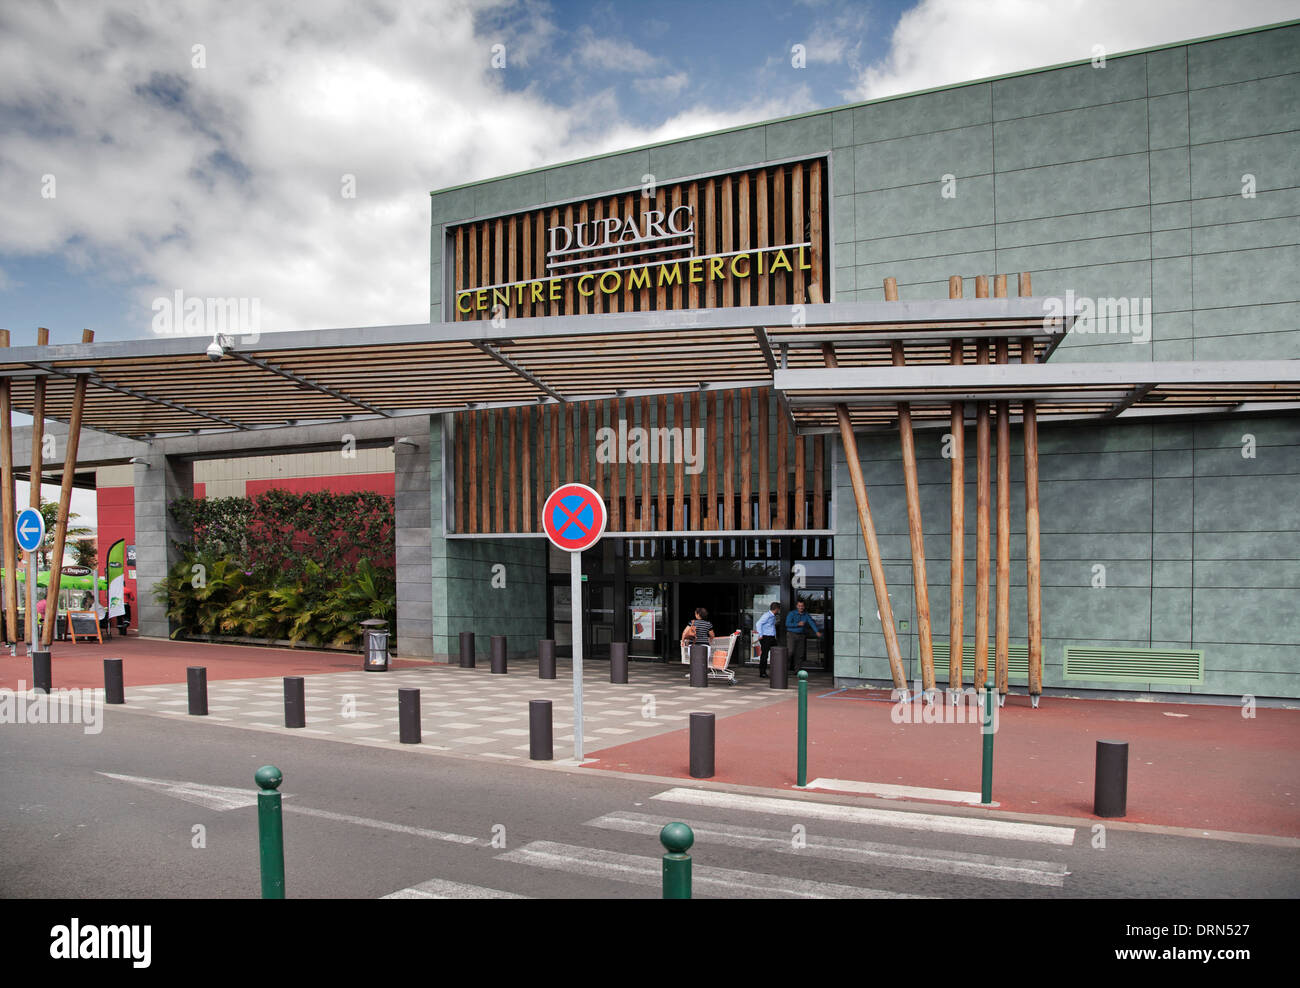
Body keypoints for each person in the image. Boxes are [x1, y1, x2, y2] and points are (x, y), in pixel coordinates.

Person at [785, 599, 820, 674]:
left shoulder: (806, 614)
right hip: (791, 635)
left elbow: (811, 623)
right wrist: (797, 624)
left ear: (804, 607)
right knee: (790, 652)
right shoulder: (791, 613)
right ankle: (784, 669)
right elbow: (787, 624)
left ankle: (797, 671)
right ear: (797, 606)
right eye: (799, 606)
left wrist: (817, 631)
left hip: (801, 636)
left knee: (799, 654)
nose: (801, 607)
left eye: (802, 606)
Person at [756, 601, 780, 678]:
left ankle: (776, 671)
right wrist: (760, 634)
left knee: (777, 653)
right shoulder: (767, 615)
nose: (779, 611)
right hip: (766, 637)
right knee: (765, 655)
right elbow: (758, 623)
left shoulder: (773, 616)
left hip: (772, 638)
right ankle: (762, 672)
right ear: (776, 609)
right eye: (778, 609)